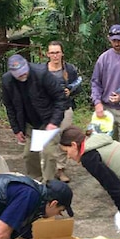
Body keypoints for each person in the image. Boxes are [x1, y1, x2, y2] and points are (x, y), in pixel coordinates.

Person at [1, 54, 69, 182]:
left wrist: (54, 122)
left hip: (48, 121)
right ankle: (36, 182)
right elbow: (9, 106)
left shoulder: (41, 74)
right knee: (29, 155)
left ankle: (49, 186)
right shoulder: (7, 81)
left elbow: (61, 98)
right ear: (11, 73)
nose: (22, 75)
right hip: (30, 124)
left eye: (23, 71)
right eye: (18, 73)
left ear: (27, 64)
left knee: (49, 154)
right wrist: (16, 129)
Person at [45, 41, 82, 183]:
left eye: (57, 52)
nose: (55, 55)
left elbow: (78, 87)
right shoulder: (43, 70)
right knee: (48, 140)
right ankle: (47, 170)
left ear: (62, 53)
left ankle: (60, 170)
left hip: (65, 108)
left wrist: (70, 91)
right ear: (48, 54)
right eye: (52, 53)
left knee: (64, 139)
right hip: (47, 110)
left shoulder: (69, 69)